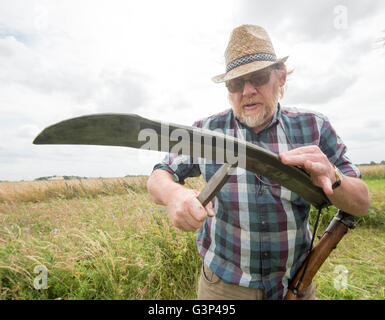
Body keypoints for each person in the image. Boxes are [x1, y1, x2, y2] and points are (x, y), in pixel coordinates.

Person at [146, 25, 369, 300]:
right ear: (228, 89)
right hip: (224, 287)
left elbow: (360, 203)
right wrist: (174, 195)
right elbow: (159, 174)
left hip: (296, 283)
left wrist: (334, 176)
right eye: (236, 83)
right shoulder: (206, 132)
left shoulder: (314, 127)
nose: (248, 90)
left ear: (281, 77)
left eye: (259, 77)